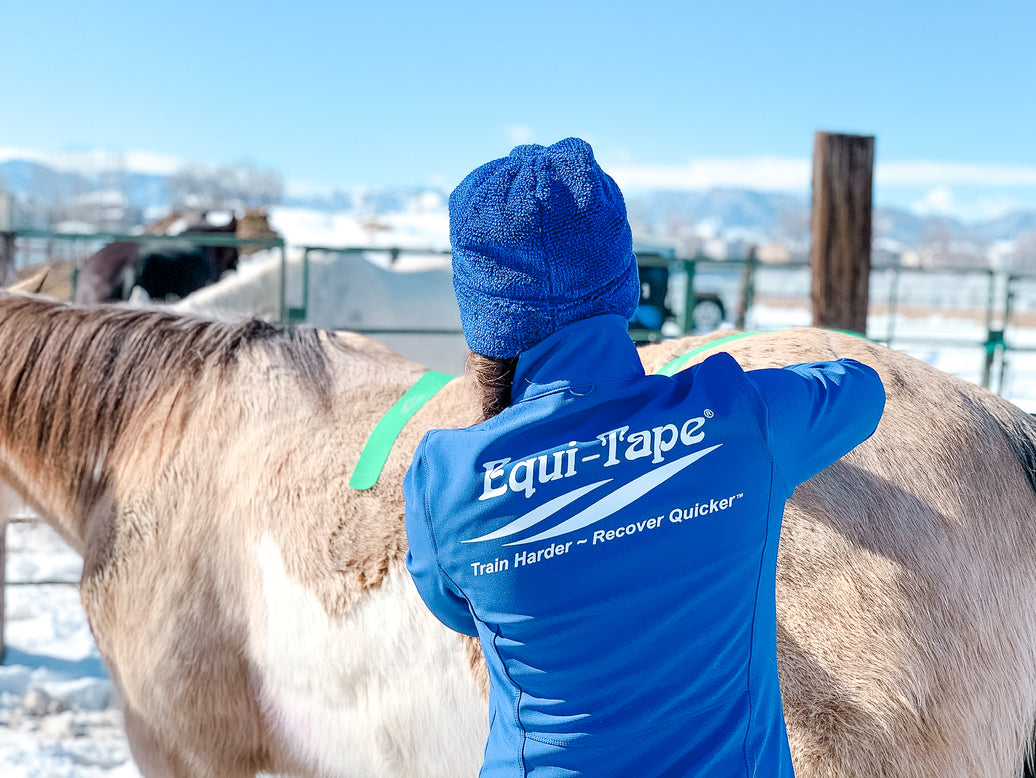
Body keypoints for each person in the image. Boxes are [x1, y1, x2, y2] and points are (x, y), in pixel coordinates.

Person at [404, 137, 885, 777]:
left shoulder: (445, 481)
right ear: (621, 280)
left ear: (484, 320)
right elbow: (863, 388)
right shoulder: (741, 419)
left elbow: (457, 608)